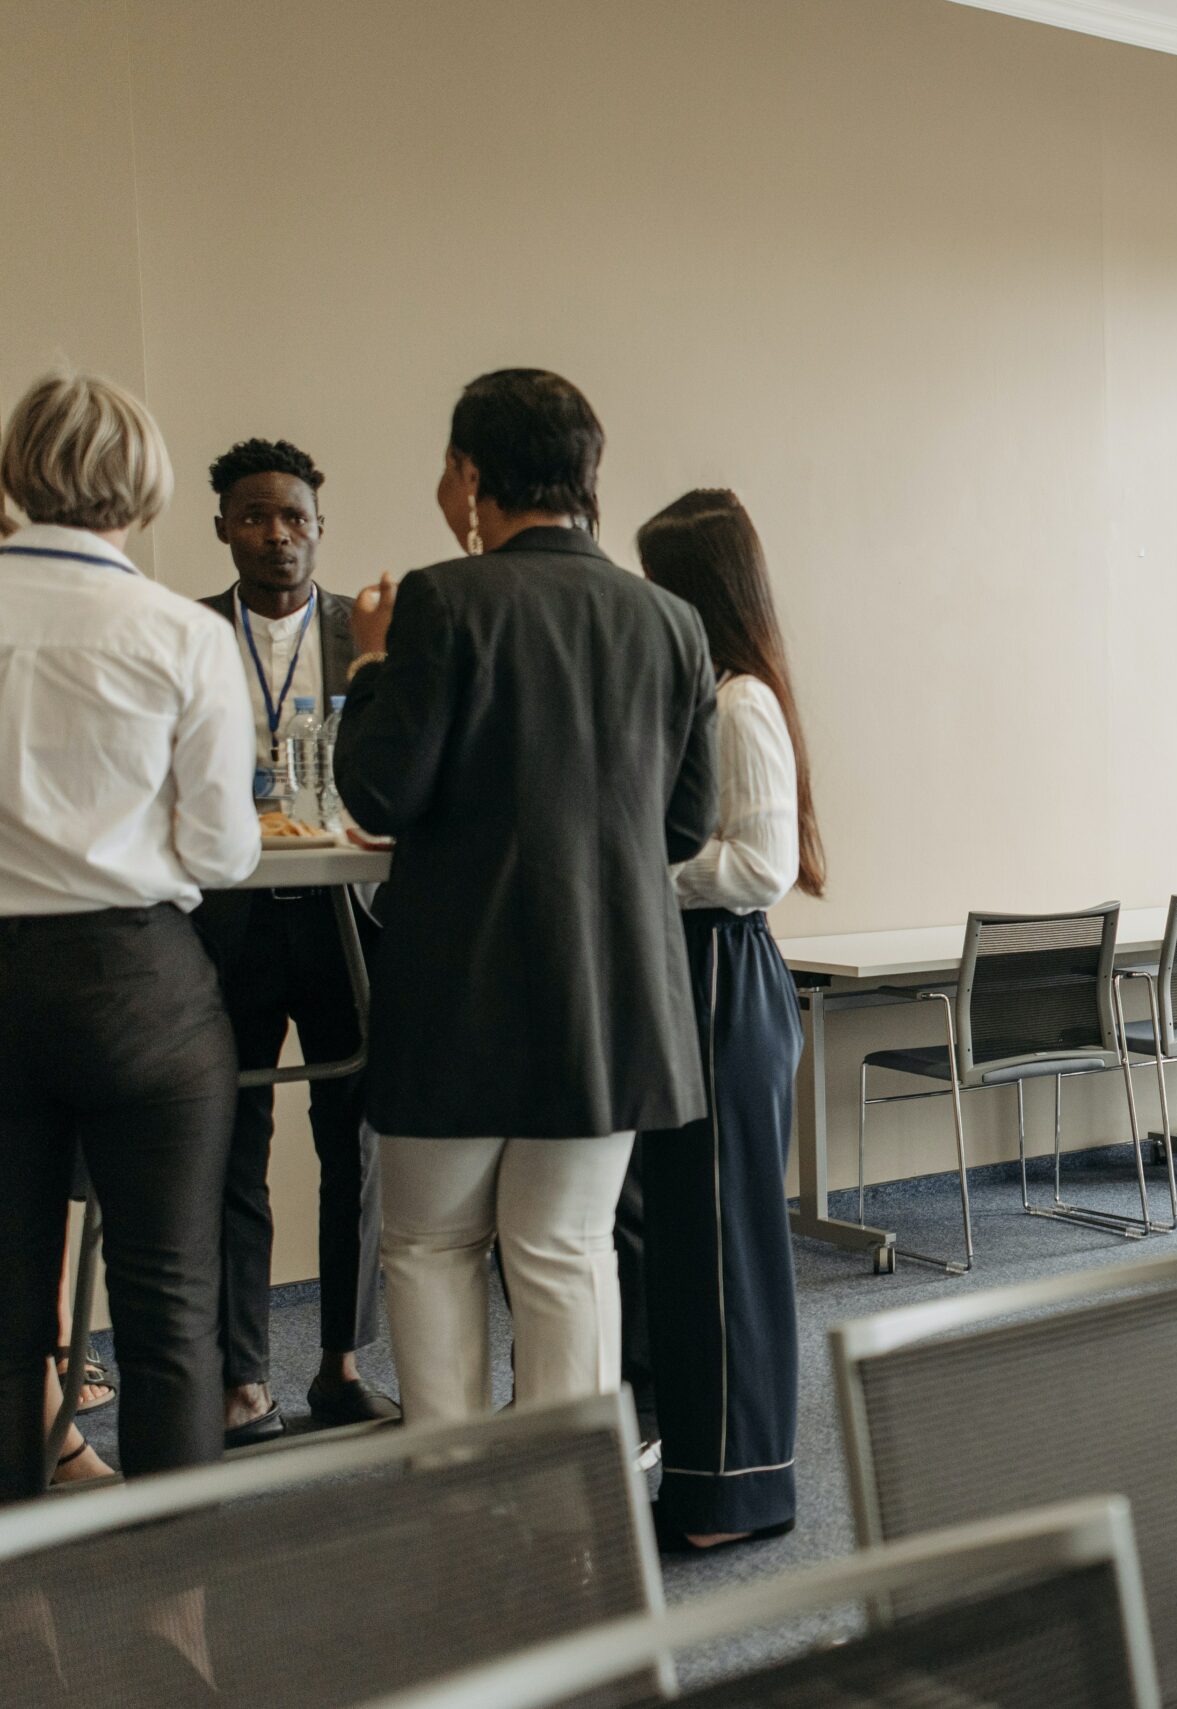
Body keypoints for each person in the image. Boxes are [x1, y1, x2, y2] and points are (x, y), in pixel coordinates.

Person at [334, 369, 718, 1425]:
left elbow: (378, 786)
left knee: (430, 1248)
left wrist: (368, 666)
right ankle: (569, 1517)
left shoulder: (441, 599)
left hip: (458, 989)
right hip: (608, 995)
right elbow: (684, 827)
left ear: (468, 473)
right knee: (563, 1250)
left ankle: (452, 1497)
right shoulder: (673, 620)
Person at [0, 371, 259, 1500]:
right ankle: (174, 1609)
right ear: (146, 488)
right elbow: (221, 854)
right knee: (170, 1310)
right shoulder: (179, 633)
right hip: (138, 986)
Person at [191, 437, 400, 1444]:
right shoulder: (184, 635)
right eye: (255, 516)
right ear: (224, 526)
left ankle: (340, 1363)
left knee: (350, 1141)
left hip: (340, 923)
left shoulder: (363, 637)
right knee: (233, 1145)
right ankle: (243, 1377)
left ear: (320, 528)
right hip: (224, 923)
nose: (277, 533)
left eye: (295, 518)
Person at [632, 489, 821, 1552]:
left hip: (721, 974)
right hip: (691, 973)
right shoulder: (699, 689)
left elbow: (761, 865)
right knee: (693, 1244)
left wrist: (632, 874)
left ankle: (734, 1493)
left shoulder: (740, 700)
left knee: (722, 1247)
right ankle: (710, 1480)